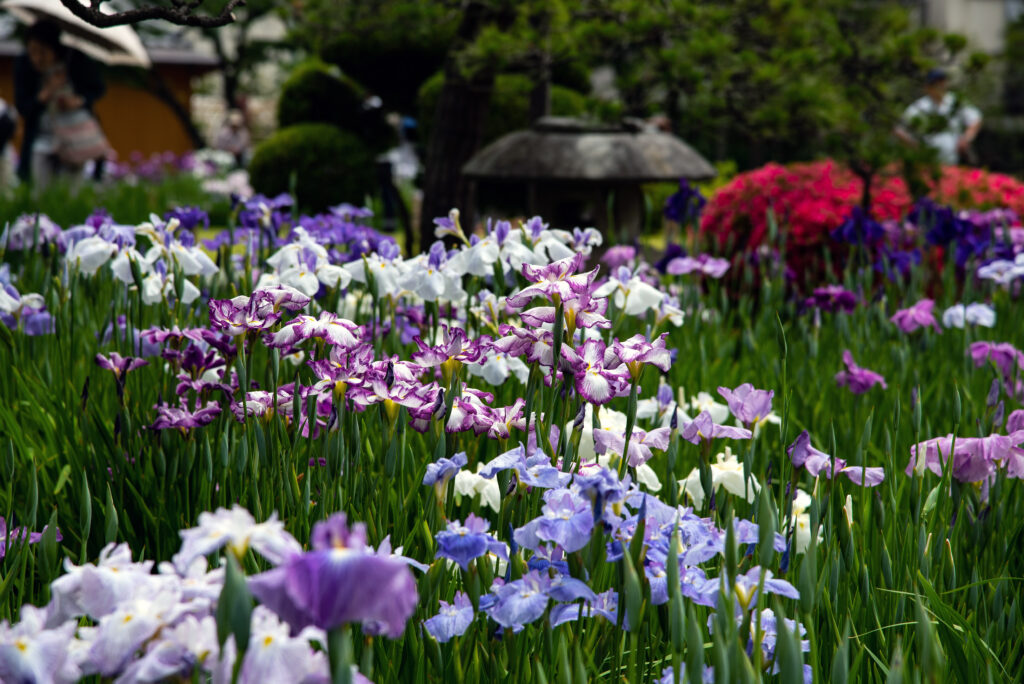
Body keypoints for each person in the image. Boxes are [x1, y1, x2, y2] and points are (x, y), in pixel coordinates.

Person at [14, 20, 107, 185]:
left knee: (71, 191)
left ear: (54, 48)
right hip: (41, 137)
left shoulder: (74, 60)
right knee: (39, 190)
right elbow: (23, 107)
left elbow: (98, 88)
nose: (37, 58)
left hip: (74, 138)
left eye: (42, 52)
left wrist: (78, 100)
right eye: (32, 52)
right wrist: (44, 96)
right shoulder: (24, 66)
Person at [896, 69, 982, 165]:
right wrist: (915, 146)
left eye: (941, 82)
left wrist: (966, 139)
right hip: (927, 161)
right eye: (935, 84)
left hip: (953, 160)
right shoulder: (920, 106)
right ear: (928, 87)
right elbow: (900, 130)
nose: (939, 86)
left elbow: (975, 119)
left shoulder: (954, 101)